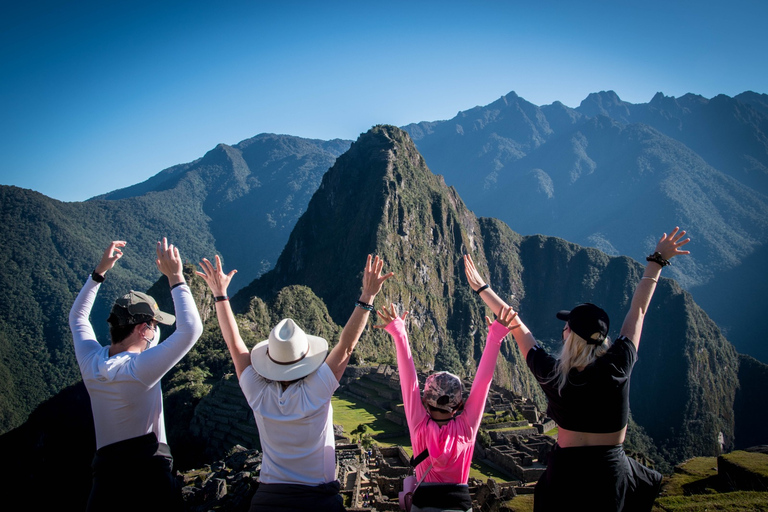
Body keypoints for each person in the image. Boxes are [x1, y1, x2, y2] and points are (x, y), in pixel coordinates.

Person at [464, 227, 691, 512]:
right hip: (610, 472)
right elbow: (638, 311)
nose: (563, 329)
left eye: (566, 326)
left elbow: (517, 326)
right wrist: (657, 261)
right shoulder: (618, 364)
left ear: (568, 335)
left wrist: (482, 289)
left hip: (566, 473)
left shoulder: (554, 375)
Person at [196, 253, 393, 512]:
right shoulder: (316, 390)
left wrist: (220, 295)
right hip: (317, 500)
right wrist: (368, 295)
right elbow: (346, 347)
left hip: (267, 499)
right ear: (307, 357)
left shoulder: (257, 392)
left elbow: (235, 345)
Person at [373, 260, 520, 512]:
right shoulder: (466, 427)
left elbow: (408, 382)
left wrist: (399, 332)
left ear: (424, 401)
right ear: (460, 404)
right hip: (459, 504)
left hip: (423, 504)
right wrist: (496, 336)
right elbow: (483, 383)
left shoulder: (420, 424)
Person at [69, 239, 204, 512]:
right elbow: (190, 330)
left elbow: (78, 318)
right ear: (143, 329)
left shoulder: (90, 360)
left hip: (104, 479)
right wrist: (176, 277)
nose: (156, 332)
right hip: (148, 476)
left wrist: (99, 272)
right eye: (153, 326)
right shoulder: (139, 370)